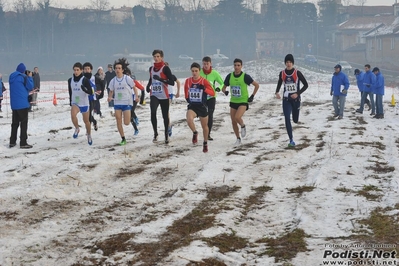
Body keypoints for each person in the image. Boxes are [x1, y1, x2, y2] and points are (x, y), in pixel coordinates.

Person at [221, 58, 259, 146]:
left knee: (237, 117)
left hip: (243, 101)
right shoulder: (229, 76)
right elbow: (224, 87)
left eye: (238, 65)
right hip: (233, 101)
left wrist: (252, 96)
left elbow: (256, 85)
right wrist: (224, 91)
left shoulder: (245, 76)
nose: (236, 67)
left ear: (241, 66)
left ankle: (242, 126)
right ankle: (238, 138)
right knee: (233, 121)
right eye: (235, 65)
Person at [275, 54, 309, 147]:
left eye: (290, 62)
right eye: (287, 62)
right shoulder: (282, 73)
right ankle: (291, 140)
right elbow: (279, 82)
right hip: (286, 99)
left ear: (293, 63)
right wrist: (277, 92)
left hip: (296, 100)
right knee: (287, 118)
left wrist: (297, 93)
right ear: (285, 63)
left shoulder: (297, 73)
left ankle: (296, 115)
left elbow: (306, 85)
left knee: (295, 120)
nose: (288, 64)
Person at [108, 58, 139, 145]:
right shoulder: (113, 80)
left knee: (126, 122)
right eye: (116, 68)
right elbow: (111, 91)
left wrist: (136, 96)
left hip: (127, 103)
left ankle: (133, 119)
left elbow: (134, 87)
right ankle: (123, 138)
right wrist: (109, 97)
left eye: (119, 68)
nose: (117, 70)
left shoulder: (127, 78)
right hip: (117, 103)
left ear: (122, 70)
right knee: (118, 120)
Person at [184, 62, 215, 153]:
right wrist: (187, 98)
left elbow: (212, 93)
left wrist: (204, 89)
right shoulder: (188, 81)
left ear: (199, 71)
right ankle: (195, 132)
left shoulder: (204, 81)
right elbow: (186, 90)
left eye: (196, 71)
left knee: (204, 126)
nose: (194, 73)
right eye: (193, 71)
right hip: (193, 105)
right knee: (189, 119)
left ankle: (205, 142)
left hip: (202, 106)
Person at [146, 49, 175, 144]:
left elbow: (171, 82)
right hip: (154, 94)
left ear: (161, 57)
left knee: (165, 116)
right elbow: (151, 78)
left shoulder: (165, 68)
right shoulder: (151, 69)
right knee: (153, 112)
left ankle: (166, 135)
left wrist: (161, 79)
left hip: (164, 95)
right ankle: (155, 133)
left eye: (158, 56)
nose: (156, 58)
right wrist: (148, 86)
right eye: (154, 57)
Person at [68, 62, 94, 145]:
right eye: (74, 70)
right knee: (73, 115)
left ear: (81, 70)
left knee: (86, 121)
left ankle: (89, 135)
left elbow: (91, 91)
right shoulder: (70, 80)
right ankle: (77, 128)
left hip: (84, 103)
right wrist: (70, 101)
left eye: (77, 70)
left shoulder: (85, 80)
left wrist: (85, 90)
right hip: (75, 102)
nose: (76, 72)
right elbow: (70, 91)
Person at [9, 63, 34, 148]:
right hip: (22, 104)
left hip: (14, 104)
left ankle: (12, 141)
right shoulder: (24, 77)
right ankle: (23, 142)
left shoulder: (11, 77)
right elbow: (30, 87)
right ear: (23, 71)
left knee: (15, 123)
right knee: (24, 123)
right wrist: (30, 77)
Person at [200, 56, 224, 140]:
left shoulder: (214, 73)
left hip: (211, 97)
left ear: (211, 64)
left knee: (210, 115)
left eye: (207, 64)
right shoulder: (199, 72)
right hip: (202, 98)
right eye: (204, 64)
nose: (206, 65)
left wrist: (219, 88)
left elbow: (222, 83)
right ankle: (205, 130)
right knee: (203, 116)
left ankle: (208, 134)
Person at [83, 62, 102, 131]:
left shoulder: (94, 78)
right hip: (84, 99)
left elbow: (97, 86)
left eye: (88, 69)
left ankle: (88, 130)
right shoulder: (82, 78)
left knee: (88, 114)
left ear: (91, 70)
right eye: (85, 69)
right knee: (86, 115)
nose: (87, 70)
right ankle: (94, 122)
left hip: (92, 99)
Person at [124, 67, 144, 135]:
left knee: (131, 111)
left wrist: (142, 99)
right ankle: (136, 129)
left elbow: (142, 88)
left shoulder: (133, 81)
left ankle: (136, 118)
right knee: (129, 116)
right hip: (127, 100)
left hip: (135, 99)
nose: (127, 76)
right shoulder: (123, 81)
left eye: (128, 74)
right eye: (125, 75)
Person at [165, 62, 181, 137]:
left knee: (166, 110)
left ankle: (168, 126)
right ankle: (169, 125)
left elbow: (178, 82)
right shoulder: (161, 76)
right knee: (164, 111)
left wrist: (178, 92)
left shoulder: (171, 76)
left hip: (170, 94)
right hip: (162, 94)